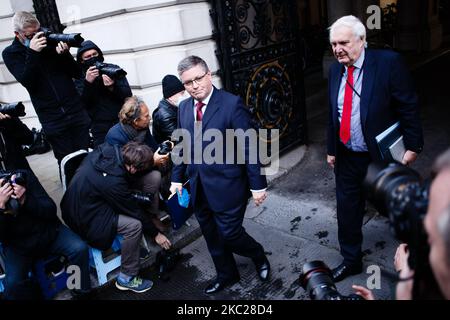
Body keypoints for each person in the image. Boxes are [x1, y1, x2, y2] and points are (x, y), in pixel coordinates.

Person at [326, 15, 423, 282]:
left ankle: (413, 258)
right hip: (347, 156)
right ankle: (351, 260)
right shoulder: (335, 70)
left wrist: (413, 146)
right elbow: (333, 114)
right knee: (347, 210)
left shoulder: (387, 63)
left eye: (343, 42)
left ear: (362, 39)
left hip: (379, 156)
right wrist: (331, 148)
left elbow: (408, 105)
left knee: (397, 206)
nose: (337, 49)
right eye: (334, 44)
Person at [170, 55, 270, 294]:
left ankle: (258, 255)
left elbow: (249, 146)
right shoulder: (184, 107)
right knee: (211, 235)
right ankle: (226, 274)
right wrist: (176, 178)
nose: (194, 86)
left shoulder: (231, 104)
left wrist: (258, 184)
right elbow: (181, 143)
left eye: (197, 79)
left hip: (228, 184)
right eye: (187, 82)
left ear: (208, 75)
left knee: (230, 233)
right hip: (198, 185)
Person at [61, 142, 171, 293]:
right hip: (85, 216)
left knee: (152, 177)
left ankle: (146, 225)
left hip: (90, 199)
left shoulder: (111, 149)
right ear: (132, 167)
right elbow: (134, 210)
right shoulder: (113, 183)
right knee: (134, 226)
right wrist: (156, 234)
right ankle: (126, 277)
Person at [2, 12, 91, 165]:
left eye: (39, 32)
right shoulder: (11, 53)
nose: (38, 37)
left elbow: (76, 73)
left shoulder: (50, 41)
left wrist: (65, 55)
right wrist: (33, 52)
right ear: (18, 34)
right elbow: (28, 82)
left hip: (75, 110)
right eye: (30, 36)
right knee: (67, 163)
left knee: (86, 158)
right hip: (52, 118)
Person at [0, 170, 91, 300]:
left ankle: (79, 289)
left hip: (48, 233)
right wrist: (1, 206)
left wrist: (25, 199)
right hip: (18, 247)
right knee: (13, 283)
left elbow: (50, 209)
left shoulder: (23, 178)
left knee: (79, 248)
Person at [106, 96, 172, 229]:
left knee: (171, 162)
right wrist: (153, 162)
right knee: (154, 177)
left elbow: (153, 147)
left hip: (144, 167)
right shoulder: (116, 137)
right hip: (126, 178)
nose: (149, 118)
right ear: (136, 121)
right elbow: (125, 170)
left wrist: (164, 148)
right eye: (146, 116)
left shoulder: (143, 127)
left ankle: (168, 201)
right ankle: (151, 215)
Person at [75, 40, 132, 147]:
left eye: (94, 54)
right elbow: (82, 104)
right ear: (82, 61)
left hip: (122, 122)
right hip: (100, 129)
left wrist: (112, 87)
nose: (92, 58)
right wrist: (88, 82)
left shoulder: (112, 68)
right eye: (87, 57)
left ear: (99, 54)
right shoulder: (80, 77)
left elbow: (127, 95)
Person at [152, 74, 186, 144]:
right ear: (170, 96)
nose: (184, 96)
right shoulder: (165, 116)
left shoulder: (173, 106)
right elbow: (179, 139)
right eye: (181, 93)